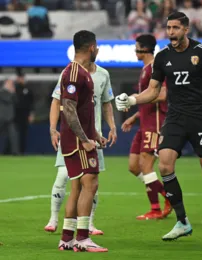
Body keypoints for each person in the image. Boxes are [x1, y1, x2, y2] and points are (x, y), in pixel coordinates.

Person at [115, 12, 202, 241]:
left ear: (186, 29)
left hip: (201, 117)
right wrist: (133, 100)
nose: (171, 33)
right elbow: (154, 90)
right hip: (175, 118)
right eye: (169, 28)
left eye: (176, 28)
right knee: (164, 166)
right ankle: (182, 221)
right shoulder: (162, 57)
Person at [45, 61, 116, 235]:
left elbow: (106, 103)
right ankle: (53, 219)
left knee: (90, 183)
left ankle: (87, 225)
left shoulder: (103, 74)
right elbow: (57, 101)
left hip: (94, 137)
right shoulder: (69, 73)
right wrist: (53, 128)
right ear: (92, 49)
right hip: (72, 136)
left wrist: (112, 127)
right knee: (64, 176)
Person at [58, 30, 108, 252]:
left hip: (82, 138)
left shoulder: (82, 73)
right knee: (91, 183)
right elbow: (68, 109)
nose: (97, 50)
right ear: (91, 47)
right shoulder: (74, 72)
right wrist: (85, 139)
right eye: (96, 47)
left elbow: (82, 109)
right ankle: (83, 238)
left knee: (77, 186)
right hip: (78, 142)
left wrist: (95, 134)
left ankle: (67, 239)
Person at [121, 34, 171, 220]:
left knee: (146, 165)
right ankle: (164, 199)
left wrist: (135, 98)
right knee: (134, 166)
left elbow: (164, 95)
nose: (135, 52)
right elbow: (146, 100)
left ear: (144, 49)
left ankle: (157, 207)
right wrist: (135, 117)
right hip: (144, 122)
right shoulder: (145, 69)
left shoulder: (156, 68)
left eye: (136, 48)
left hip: (156, 122)